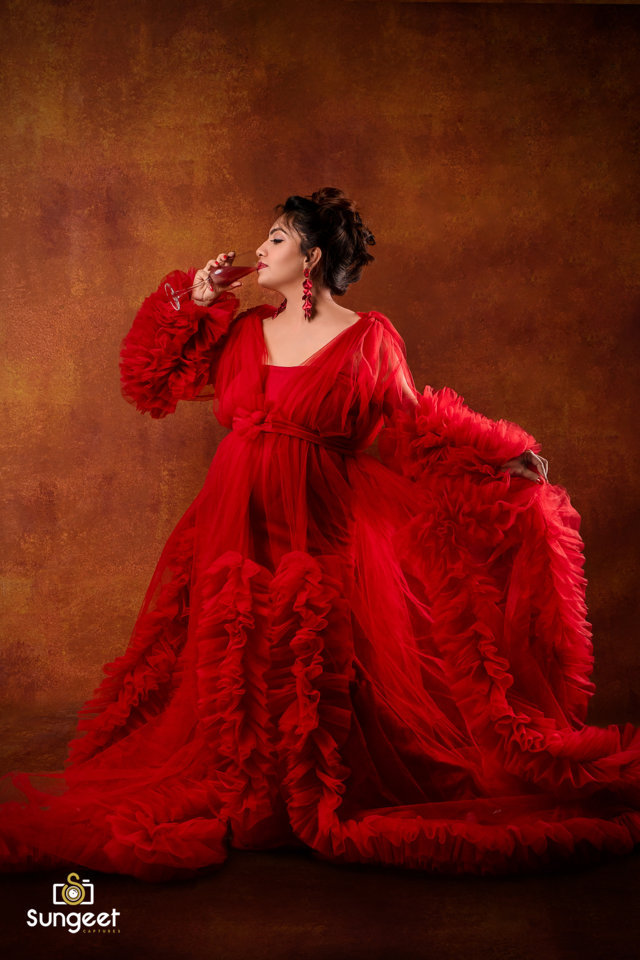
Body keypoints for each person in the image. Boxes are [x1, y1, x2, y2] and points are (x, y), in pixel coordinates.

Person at [1, 187, 639, 883]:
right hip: (231, 510)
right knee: (238, 645)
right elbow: (154, 384)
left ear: (310, 258)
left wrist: (495, 457)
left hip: (317, 513)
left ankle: (306, 787)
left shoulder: (369, 339)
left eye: (275, 238)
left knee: (307, 646)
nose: (259, 249)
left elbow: (410, 425)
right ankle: (245, 785)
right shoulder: (244, 329)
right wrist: (197, 299)